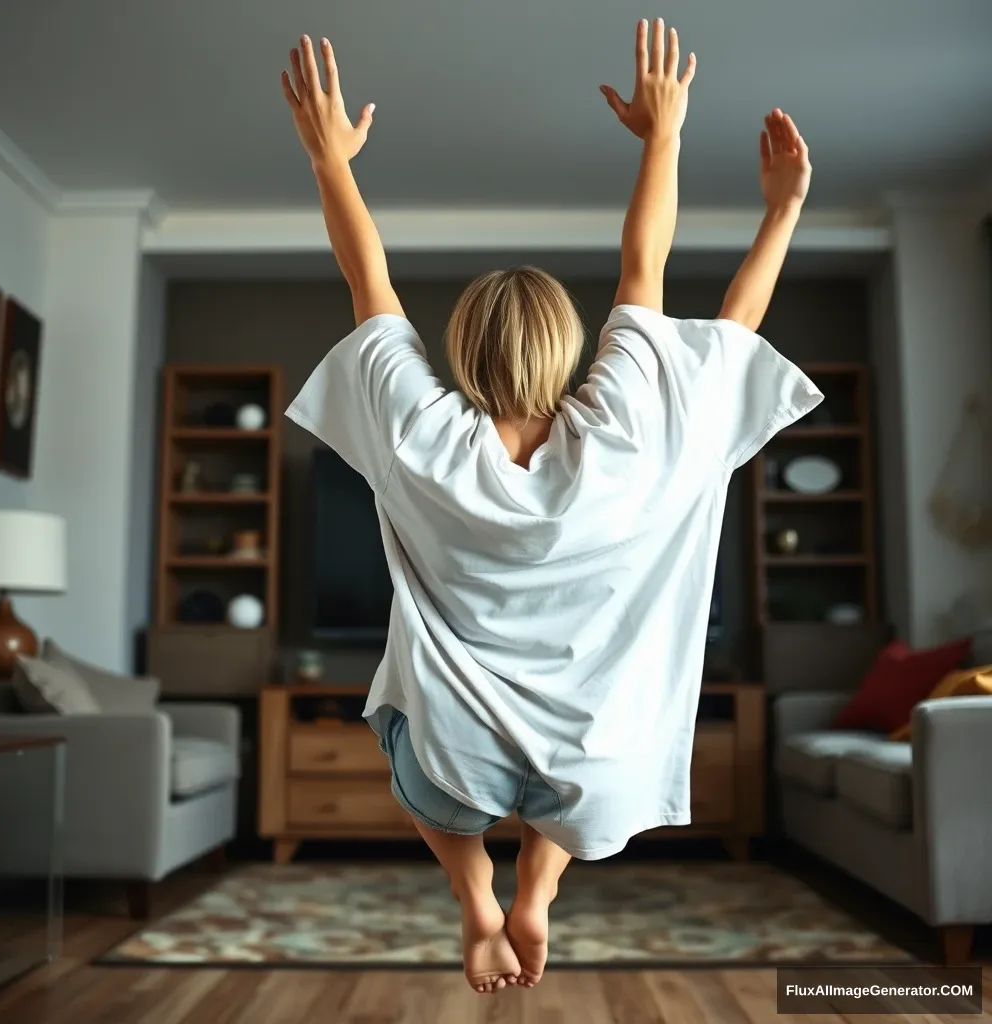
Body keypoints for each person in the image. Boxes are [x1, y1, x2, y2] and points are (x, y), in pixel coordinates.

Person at [281, 18, 822, 994]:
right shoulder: (630, 430)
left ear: (461, 349)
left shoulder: (421, 435)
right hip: (598, 759)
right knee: (584, 757)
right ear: (569, 349)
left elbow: (369, 279)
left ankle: (477, 897)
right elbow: (675, 296)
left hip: (452, 755)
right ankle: (538, 889)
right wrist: (747, 191)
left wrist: (330, 157)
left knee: (406, 727)